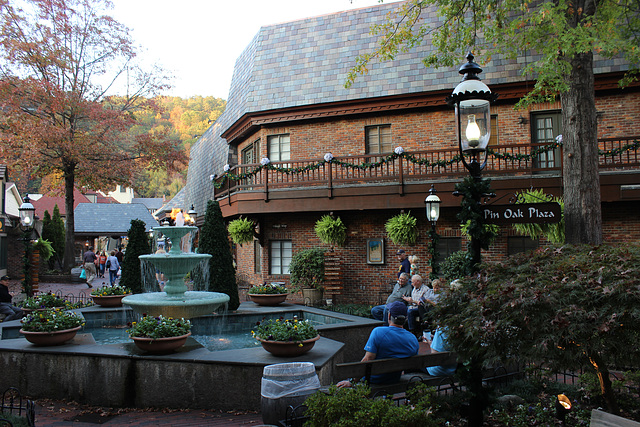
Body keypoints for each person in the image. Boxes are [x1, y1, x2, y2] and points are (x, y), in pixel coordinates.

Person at [338, 301, 419, 387]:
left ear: (389, 316)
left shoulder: (378, 332)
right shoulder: (412, 339)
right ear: (406, 319)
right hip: (394, 379)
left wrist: (352, 381)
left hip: (373, 380)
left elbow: (368, 359)